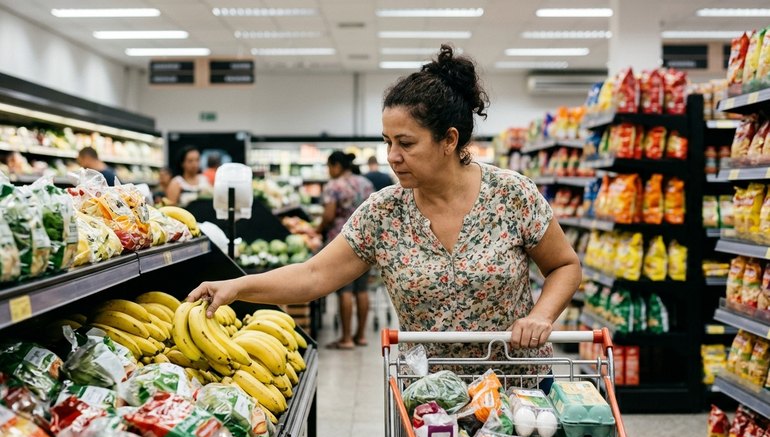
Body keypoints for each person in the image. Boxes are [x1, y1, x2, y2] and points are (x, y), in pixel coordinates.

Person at [187, 45, 581, 388]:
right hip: (430, 396)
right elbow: (313, 275)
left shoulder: (511, 194)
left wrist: (541, 316)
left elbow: (564, 265)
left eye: (406, 143)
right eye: (388, 142)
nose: (392, 156)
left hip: (517, 387)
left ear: (449, 140)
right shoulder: (384, 212)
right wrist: (237, 287)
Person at [317, 151, 374, 349]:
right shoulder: (365, 183)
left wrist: (318, 228)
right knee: (362, 289)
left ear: (337, 166)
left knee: (345, 291)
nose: (329, 171)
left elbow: (329, 216)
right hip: (366, 241)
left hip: (341, 243)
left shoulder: (333, 186)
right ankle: (361, 336)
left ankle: (346, 338)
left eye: (329, 166)